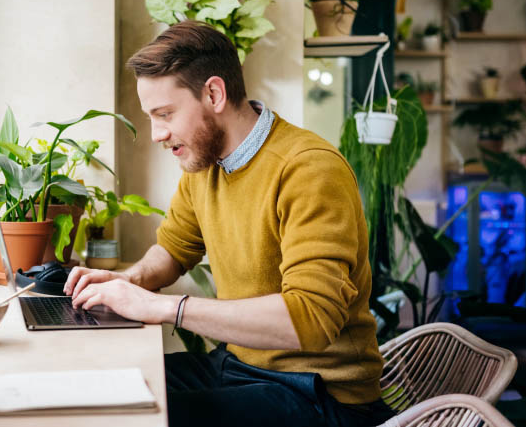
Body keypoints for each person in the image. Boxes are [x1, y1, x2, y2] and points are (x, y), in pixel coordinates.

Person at [63, 21, 396, 427]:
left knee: (141, 419)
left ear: (214, 94)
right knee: (104, 392)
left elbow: (311, 318)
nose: (156, 134)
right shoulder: (203, 165)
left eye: (165, 114)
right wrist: (129, 283)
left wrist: (162, 307)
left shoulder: (308, 168)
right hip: (240, 366)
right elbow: (173, 249)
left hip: (323, 395)